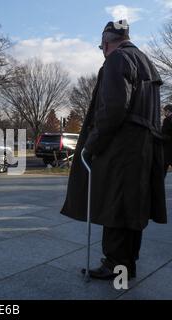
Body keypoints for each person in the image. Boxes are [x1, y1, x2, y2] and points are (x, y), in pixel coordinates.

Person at [61, 20, 167, 281]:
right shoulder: (146, 61)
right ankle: (126, 266)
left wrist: (91, 145)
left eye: (101, 46)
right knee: (132, 206)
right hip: (143, 148)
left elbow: (113, 109)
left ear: (107, 42)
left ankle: (115, 266)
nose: (103, 51)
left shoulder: (117, 59)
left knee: (116, 205)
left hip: (122, 147)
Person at [162, 105, 172, 177]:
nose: (164, 112)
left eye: (165, 111)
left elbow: (164, 134)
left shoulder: (167, 120)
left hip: (168, 149)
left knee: (162, 171)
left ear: (168, 111)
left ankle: (159, 187)